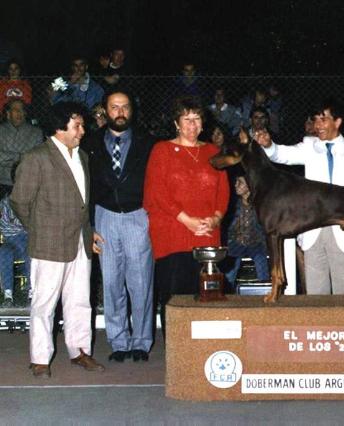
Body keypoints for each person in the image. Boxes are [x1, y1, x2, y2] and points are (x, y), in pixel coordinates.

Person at [255, 98, 344, 295]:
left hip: (343, 226)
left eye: (323, 119)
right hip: (312, 227)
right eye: (315, 120)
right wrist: (269, 145)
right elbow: (281, 154)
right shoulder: (308, 145)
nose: (317, 125)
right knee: (315, 293)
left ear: (337, 122)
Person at [10, 102, 105, 378]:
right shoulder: (36, 157)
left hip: (80, 241)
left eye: (82, 125)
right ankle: (40, 358)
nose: (82, 130)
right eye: (77, 125)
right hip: (48, 243)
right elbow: (19, 201)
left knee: (80, 300)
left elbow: (82, 203)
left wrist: (89, 230)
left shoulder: (83, 157)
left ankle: (80, 351)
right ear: (60, 127)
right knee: (44, 303)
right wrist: (40, 229)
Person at [144, 96, 229, 333]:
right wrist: (187, 221)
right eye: (186, 119)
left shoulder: (213, 151)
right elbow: (156, 192)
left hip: (207, 232)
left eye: (197, 119)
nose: (192, 125)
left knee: (207, 295)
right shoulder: (161, 150)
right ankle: (176, 351)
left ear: (203, 124)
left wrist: (216, 217)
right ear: (176, 123)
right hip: (173, 233)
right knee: (175, 296)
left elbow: (223, 190)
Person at [81, 89, 154, 363]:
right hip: (105, 217)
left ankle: (141, 342)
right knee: (111, 282)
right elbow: (85, 188)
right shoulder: (89, 143)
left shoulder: (148, 143)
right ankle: (119, 341)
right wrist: (89, 227)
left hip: (137, 216)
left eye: (125, 106)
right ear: (105, 110)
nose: (120, 112)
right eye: (114, 107)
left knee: (141, 282)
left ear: (131, 110)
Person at [224, 175, 270, 288]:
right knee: (230, 269)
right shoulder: (232, 204)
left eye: (240, 182)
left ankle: (264, 291)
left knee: (261, 264)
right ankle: (226, 291)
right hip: (235, 243)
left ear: (249, 186)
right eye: (236, 182)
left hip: (256, 243)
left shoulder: (260, 205)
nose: (236, 185)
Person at [0, 164, 30, 308]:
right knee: (4, 252)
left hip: (30, 241)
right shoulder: (6, 202)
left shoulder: (35, 198)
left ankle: (32, 292)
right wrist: (23, 228)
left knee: (31, 250)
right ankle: (8, 295)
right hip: (12, 240)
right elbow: (5, 226)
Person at [0, 99, 44, 198]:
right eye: (15, 109)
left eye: (22, 109)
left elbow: (36, 159)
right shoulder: (1, 131)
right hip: (2, 181)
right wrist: (20, 156)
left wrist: (7, 157)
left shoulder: (36, 133)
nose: (20, 112)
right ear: (8, 113)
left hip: (27, 182)